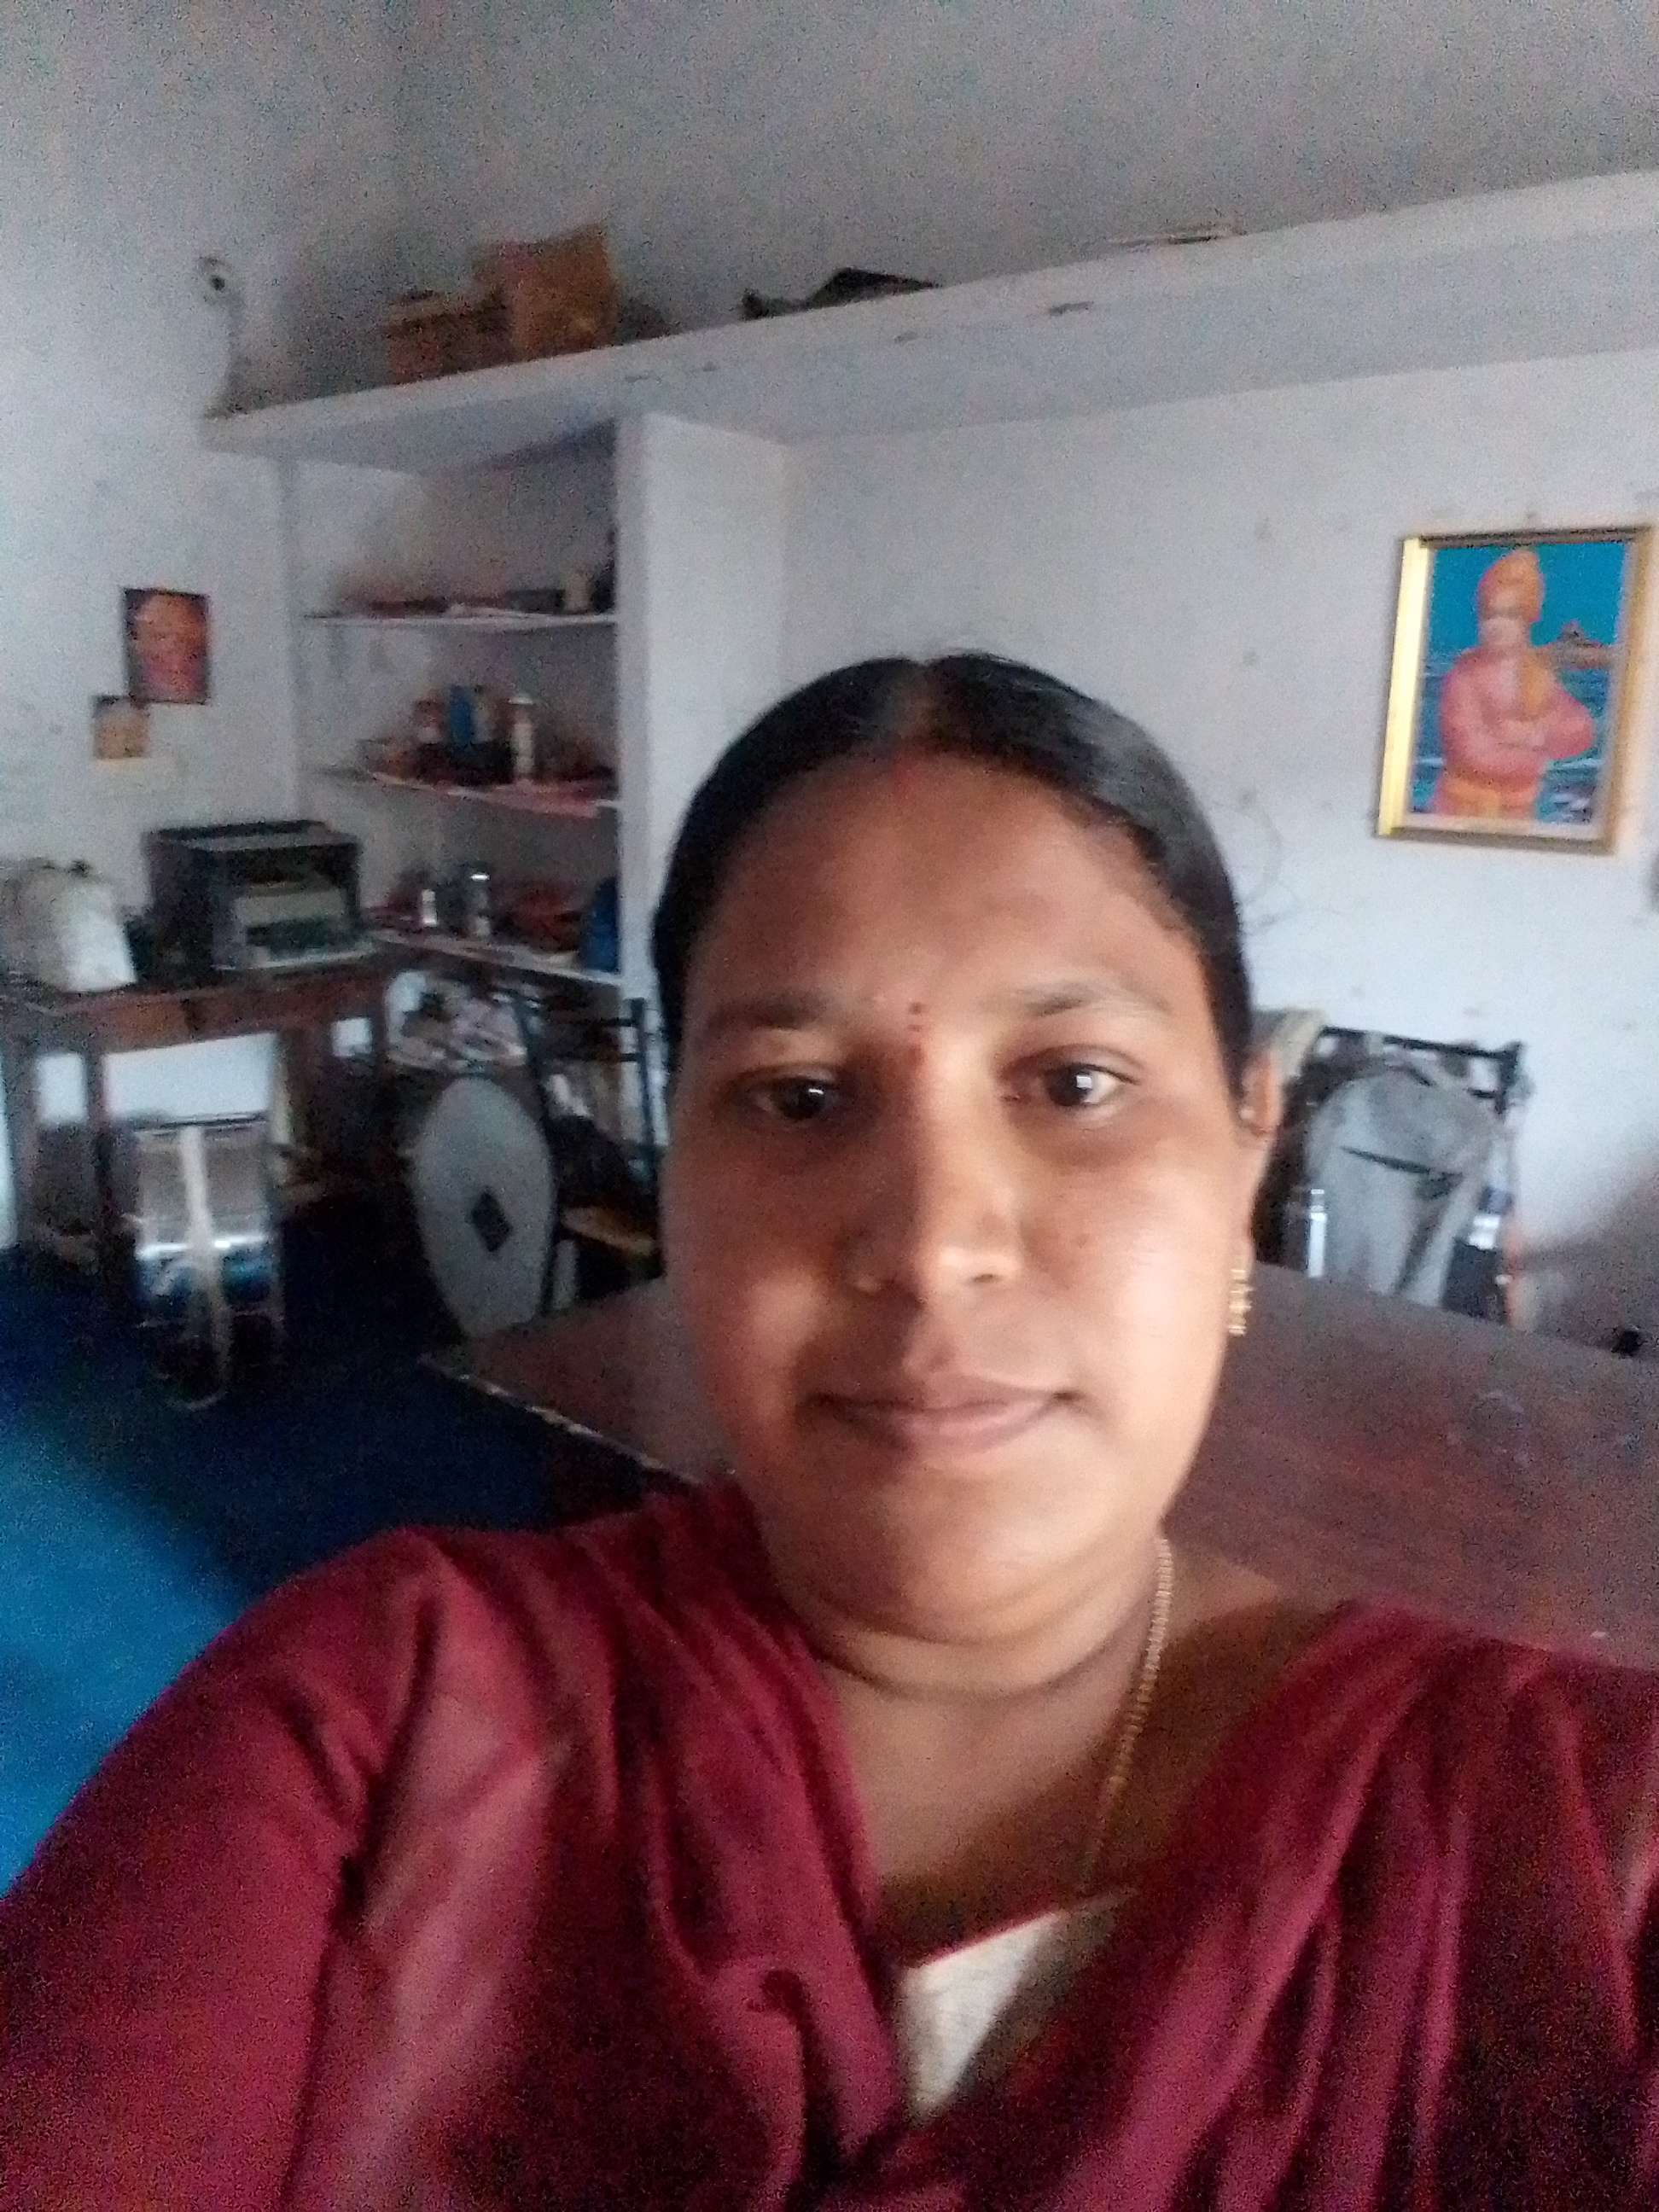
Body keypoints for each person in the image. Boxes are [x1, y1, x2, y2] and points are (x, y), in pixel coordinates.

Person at [2, 655, 1655, 2208]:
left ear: (1244, 1158)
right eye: (797, 1097)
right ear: (679, 1177)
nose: (931, 1242)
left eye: (1073, 1082)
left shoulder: (1583, 1851)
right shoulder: (374, 1727)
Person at [1433, 546, 1595, 819]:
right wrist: (1533, 754)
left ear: (1528, 618)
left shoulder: (1536, 673)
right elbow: (1471, 751)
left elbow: (1581, 729)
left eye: (1509, 615)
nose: (1497, 625)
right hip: (1461, 810)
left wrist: (1535, 734)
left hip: (1519, 812)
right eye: (1489, 615)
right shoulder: (1465, 675)